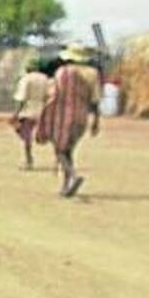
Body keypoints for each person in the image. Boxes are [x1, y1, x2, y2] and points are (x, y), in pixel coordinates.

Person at [36, 47, 101, 197]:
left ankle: (72, 176)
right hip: (81, 116)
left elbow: (53, 94)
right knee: (68, 150)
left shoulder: (62, 72)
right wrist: (96, 120)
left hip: (61, 114)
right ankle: (66, 185)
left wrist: (45, 115)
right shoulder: (93, 73)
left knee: (60, 150)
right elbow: (95, 99)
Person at [11, 61, 51, 171]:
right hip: (42, 110)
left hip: (28, 111)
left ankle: (29, 161)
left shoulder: (26, 79)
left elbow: (21, 98)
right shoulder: (45, 78)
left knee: (24, 134)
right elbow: (48, 96)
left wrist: (16, 113)